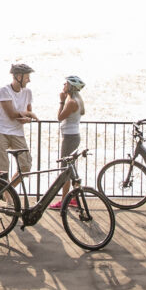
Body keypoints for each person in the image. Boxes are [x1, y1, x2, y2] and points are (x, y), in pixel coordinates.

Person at [0, 63, 38, 178]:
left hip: (17, 132)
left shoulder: (28, 92)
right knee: (2, 168)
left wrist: (27, 118)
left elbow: (28, 111)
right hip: (1, 131)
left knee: (26, 166)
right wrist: (29, 114)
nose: (29, 80)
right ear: (19, 77)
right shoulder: (4, 90)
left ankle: (9, 190)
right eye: (27, 77)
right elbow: (11, 114)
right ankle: (7, 196)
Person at [50, 75, 86, 210]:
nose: (63, 86)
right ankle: (74, 199)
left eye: (65, 84)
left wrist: (61, 101)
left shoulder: (71, 102)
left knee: (65, 169)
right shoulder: (76, 100)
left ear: (70, 86)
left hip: (70, 138)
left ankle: (64, 200)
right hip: (73, 136)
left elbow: (60, 117)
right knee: (71, 169)